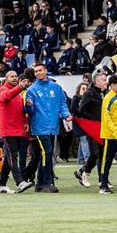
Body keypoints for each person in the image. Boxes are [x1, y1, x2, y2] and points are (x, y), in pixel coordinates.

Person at [24, 64, 70, 193]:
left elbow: (62, 103)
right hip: (39, 127)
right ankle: (48, 183)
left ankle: (39, 183)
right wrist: (28, 106)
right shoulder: (32, 89)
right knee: (47, 153)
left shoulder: (56, 87)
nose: (38, 73)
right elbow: (29, 110)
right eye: (36, 71)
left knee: (45, 154)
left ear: (45, 71)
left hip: (53, 126)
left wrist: (66, 115)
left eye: (40, 70)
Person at [0, 71, 30, 194]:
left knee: (9, 158)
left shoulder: (18, 93)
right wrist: (20, 87)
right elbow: (6, 97)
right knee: (12, 157)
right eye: (11, 76)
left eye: (15, 76)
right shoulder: (1, 90)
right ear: (6, 78)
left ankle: (1, 184)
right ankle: (20, 182)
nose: (14, 78)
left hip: (17, 129)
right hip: (8, 130)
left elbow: (20, 110)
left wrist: (25, 121)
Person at [76, 71, 108, 188]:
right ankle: (85, 172)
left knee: (102, 154)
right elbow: (82, 110)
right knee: (94, 153)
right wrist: (93, 121)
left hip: (104, 128)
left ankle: (102, 179)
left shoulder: (106, 93)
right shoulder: (89, 93)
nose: (106, 82)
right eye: (104, 80)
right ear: (97, 81)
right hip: (93, 128)